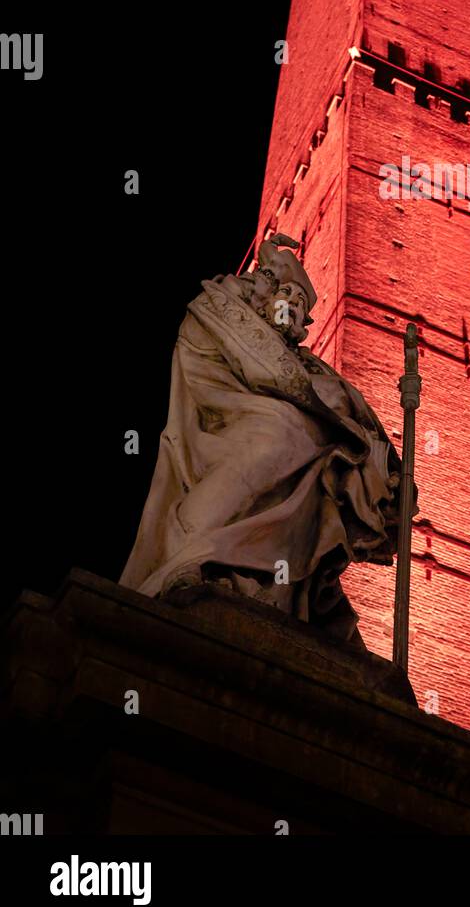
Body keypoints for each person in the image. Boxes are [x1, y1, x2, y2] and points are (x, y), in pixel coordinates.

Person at [119, 234, 411, 645]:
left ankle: (276, 587)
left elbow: (350, 406)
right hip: (228, 422)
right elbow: (271, 375)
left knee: (305, 444)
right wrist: (266, 268)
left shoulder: (310, 362)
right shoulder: (226, 312)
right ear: (265, 291)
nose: (293, 307)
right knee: (280, 434)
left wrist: (384, 463)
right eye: (286, 295)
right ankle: (197, 552)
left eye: (301, 306)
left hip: (291, 433)